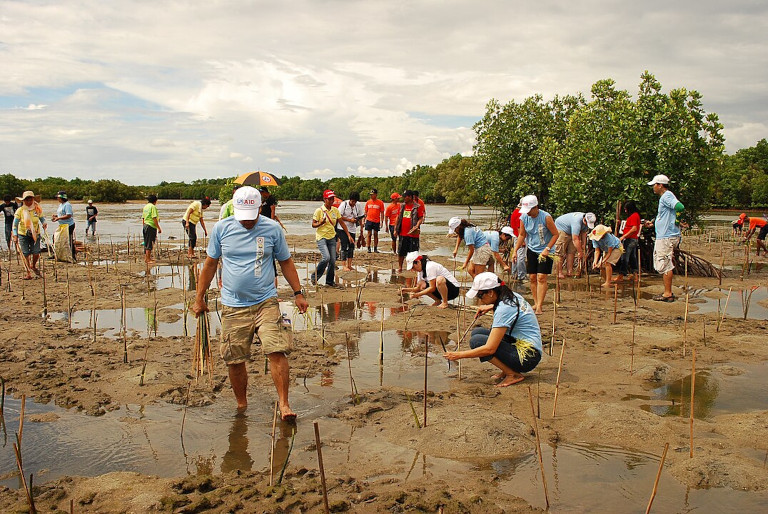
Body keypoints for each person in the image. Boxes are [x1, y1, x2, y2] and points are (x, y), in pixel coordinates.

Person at [191, 186, 308, 419]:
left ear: (259, 209)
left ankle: (284, 405)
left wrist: (298, 293)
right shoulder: (222, 229)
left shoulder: (272, 229)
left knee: (277, 350)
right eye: (243, 217)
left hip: (266, 301)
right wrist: (199, 298)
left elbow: (286, 262)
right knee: (234, 359)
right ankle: (241, 405)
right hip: (233, 305)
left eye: (251, 217)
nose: (247, 222)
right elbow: (210, 264)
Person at [444, 272, 542, 387]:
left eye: (480, 296)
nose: (479, 300)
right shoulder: (510, 295)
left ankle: (512, 374)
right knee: (477, 332)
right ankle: (506, 369)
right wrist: (491, 306)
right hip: (522, 344)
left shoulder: (504, 309)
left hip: (527, 357)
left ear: (491, 292)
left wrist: (458, 355)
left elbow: (489, 349)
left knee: (477, 342)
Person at [511, 195, 558, 315]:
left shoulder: (546, 217)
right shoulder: (523, 218)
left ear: (536, 207)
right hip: (531, 248)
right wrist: (515, 250)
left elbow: (555, 234)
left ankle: (540, 306)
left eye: (529, 210)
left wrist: (547, 249)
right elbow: (522, 235)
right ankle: (536, 302)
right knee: (532, 277)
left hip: (546, 250)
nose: (528, 213)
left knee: (541, 277)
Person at [649, 174, 684, 302]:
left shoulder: (666, 196)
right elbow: (666, 215)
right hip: (666, 235)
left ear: (660, 185)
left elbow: (680, 207)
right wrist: (653, 223)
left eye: (654, 185)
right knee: (664, 262)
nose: (653, 187)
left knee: (664, 264)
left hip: (666, 237)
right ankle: (667, 292)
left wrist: (677, 221)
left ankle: (667, 293)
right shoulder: (666, 197)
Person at [311, 189, 350, 287]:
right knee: (326, 258)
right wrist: (321, 223)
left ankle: (329, 281)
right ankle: (314, 276)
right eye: (329, 199)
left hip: (332, 237)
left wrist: (348, 235)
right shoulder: (319, 211)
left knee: (332, 260)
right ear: (325, 199)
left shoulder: (335, 210)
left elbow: (341, 223)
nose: (331, 200)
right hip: (321, 237)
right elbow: (313, 224)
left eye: (332, 198)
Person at [11, 191, 46, 279]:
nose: (29, 202)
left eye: (30, 200)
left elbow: (42, 218)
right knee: (25, 253)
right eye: (26, 200)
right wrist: (15, 235)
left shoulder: (37, 209)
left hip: (35, 233)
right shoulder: (20, 210)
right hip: (23, 233)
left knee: (36, 252)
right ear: (23, 201)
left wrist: (44, 223)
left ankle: (33, 265)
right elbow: (15, 224)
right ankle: (28, 272)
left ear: (33, 200)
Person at [554, 211, 596, 278]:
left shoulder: (585, 223)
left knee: (572, 251)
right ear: (584, 219)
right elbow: (575, 239)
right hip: (562, 228)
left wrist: (583, 246)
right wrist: (580, 252)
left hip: (572, 232)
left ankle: (569, 271)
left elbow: (584, 233)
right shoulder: (576, 221)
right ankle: (559, 272)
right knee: (560, 252)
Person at [395, 190, 425, 273]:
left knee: (413, 252)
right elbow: (398, 217)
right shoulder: (402, 206)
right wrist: (395, 229)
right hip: (402, 233)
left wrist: (417, 225)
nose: (404, 198)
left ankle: (413, 267)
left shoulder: (417, 206)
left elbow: (421, 218)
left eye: (406, 196)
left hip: (413, 233)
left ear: (410, 197)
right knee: (401, 251)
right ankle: (400, 267)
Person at [337, 192, 365, 271]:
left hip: (352, 228)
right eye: (352, 202)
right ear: (350, 200)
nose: (353, 203)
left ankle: (349, 265)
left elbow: (360, 217)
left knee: (351, 246)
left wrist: (361, 228)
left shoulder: (358, 205)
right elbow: (339, 216)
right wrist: (349, 220)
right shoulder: (344, 204)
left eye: (355, 202)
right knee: (344, 245)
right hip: (342, 228)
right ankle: (344, 265)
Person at [615, 201, 641, 282]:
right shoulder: (634, 216)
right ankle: (635, 275)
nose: (625, 211)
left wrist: (623, 237)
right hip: (633, 239)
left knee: (624, 258)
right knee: (633, 258)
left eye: (626, 209)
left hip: (630, 239)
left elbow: (634, 229)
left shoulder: (634, 216)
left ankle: (621, 275)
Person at [51, 191, 76, 261]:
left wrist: (58, 218)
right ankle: (56, 253)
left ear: (62, 198)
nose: (57, 199)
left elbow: (68, 215)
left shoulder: (67, 205)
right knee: (56, 238)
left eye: (58, 197)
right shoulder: (61, 205)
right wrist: (56, 216)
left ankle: (73, 256)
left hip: (68, 225)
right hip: (62, 225)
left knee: (69, 240)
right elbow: (62, 214)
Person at [508, 204, 527, 280]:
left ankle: (514, 273)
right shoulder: (520, 213)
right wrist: (522, 240)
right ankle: (521, 275)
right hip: (519, 236)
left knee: (516, 255)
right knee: (521, 256)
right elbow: (519, 227)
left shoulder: (514, 212)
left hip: (516, 236)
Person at [142, 194, 162, 265]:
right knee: (149, 243)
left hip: (145, 226)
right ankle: (148, 259)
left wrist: (144, 226)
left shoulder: (145, 207)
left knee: (146, 242)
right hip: (151, 226)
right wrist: (158, 228)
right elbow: (154, 218)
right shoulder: (153, 207)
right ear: (155, 201)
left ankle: (147, 258)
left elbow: (143, 218)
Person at [364, 188, 385, 253]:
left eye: (372, 194)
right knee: (369, 234)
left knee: (376, 234)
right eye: (370, 195)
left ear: (376, 194)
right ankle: (368, 247)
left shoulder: (380, 202)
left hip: (376, 220)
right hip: (369, 220)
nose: (371, 196)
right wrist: (364, 220)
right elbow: (365, 212)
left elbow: (382, 213)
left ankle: (375, 248)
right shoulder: (368, 202)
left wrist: (382, 221)